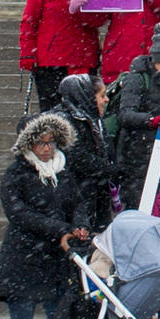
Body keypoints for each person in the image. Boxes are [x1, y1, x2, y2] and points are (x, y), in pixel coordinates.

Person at [0, 112, 90, 319]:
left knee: (58, 317)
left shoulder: (64, 171)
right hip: (22, 259)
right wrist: (59, 228)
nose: (46, 149)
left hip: (55, 260)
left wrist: (80, 225)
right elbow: (18, 214)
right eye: (39, 143)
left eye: (50, 142)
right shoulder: (16, 174)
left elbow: (77, 203)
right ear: (27, 144)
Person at [18, 0, 106, 111]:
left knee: (83, 111)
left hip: (83, 59)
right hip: (51, 60)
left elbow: (99, 20)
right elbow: (30, 19)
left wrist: (80, 11)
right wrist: (28, 53)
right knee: (52, 112)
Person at [113, 21, 160, 196]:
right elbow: (125, 115)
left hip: (156, 148)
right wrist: (153, 120)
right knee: (136, 196)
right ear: (158, 60)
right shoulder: (136, 78)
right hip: (134, 151)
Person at [53, 72, 118, 229]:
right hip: (77, 196)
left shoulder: (94, 119)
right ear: (87, 96)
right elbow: (77, 157)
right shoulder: (64, 121)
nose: (106, 100)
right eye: (102, 95)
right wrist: (109, 169)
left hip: (94, 193)